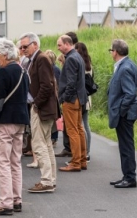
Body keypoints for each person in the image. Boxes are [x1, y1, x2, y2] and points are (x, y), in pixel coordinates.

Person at [0, 38, 29, 215]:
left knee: (2, 163)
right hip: (20, 120)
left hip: (5, 122)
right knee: (15, 162)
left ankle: (5, 203)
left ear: (4, 54)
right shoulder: (22, 71)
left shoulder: (3, 72)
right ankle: (17, 200)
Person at [20, 33, 59, 193]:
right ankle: (50, 179)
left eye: (25, 46)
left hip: (42, 108)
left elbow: (47, 85)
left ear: (35, 44)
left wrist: (36, 103)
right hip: (42, 107)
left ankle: (46, 181)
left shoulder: (41, 59)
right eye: (21, 47)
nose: (22, 50)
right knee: (46, 144)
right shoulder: (33, 60)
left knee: (38, 144)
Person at [108, 39, 137, 188]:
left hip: (125, 114)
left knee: (126, 146)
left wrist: (121, 110)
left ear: (115, 52)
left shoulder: (125, 67)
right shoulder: (127, 64)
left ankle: (130, 177)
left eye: (111, 50)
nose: (111, 53)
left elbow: (130, 94)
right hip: (125, 113)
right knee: (124, 146)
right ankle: (127, 175)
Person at [56, 35, 88, 172]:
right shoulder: (78, 56)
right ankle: (81, 160)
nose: (58, 48)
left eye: (59, 45)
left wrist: (64, 97)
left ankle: (75, 162)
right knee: (79, 129)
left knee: (72, 131)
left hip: (71, 99)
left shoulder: (70, 59)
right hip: (79, 98)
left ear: (67, 44)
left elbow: (70, 82)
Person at [75, 42, 93, 161]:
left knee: (82, 126)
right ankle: (87, 151)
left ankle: (84, 152)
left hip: (82, 98)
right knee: (86, 125)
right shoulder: (89, 64)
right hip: (87, 98)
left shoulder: (80, 64)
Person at [45, 50, 61, 147]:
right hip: (56, 95)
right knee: (54, 118)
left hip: (54, 96)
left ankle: (53, 137)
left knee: (53, 119)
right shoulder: (57, 68)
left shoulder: (52, 69)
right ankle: (54, 137)